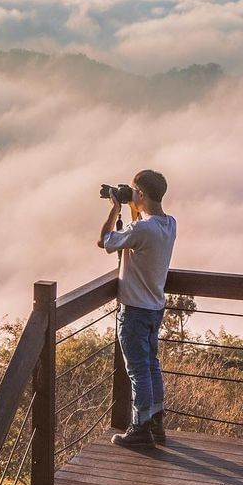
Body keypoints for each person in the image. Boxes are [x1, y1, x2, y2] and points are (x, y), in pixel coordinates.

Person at [98, 169, 177, 447]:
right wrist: (135, 205)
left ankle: (140, 429)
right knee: (151, 366)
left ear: (141, 193)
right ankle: (156, 423)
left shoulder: (142, 229)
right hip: (155, 308)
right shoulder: (169, 224)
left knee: (138, 371)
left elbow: (105, 241)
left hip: (133, 310)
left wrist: (115, 209)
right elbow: (141, 233)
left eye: (134, 191)